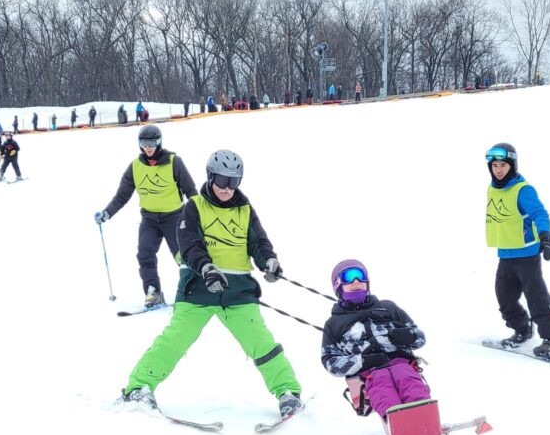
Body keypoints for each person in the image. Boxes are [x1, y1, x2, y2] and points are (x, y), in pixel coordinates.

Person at [117, 149, 302, 417]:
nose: (227, 188)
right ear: (210, 176)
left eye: (234, 182)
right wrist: (206, 267)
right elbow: (188, 244)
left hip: (237, 292)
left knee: (261, 342)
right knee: (175, 340)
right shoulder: (194, 207)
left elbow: (258, 242)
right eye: (222, 181)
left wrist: (269, 261)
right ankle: (139, 387)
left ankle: (287, 391)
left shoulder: (245, 209)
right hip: (198, 289)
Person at [94, 124, 197, 309]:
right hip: (149, 219)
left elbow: (191, 190)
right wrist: (107, 213)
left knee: (182, 256)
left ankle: (195, 288)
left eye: (152, 142)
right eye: (144, 142)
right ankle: (153, 292)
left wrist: (201, 213)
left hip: (174, 217)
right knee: (145, 253)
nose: (148, 146)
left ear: (159, 142)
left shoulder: (174, 162)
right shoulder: (135, 167)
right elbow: (122, 196)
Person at [485, 142, 550, 360]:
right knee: (505, 299)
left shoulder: (523, 190)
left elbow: (540, 214)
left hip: (527, 255)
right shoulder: (493, 188)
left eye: (503, 165)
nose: (499, 169)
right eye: (495, 166)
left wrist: (545, 237)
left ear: (512, 165)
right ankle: (522, 329)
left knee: (536, 298)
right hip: (505, 254)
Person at [321, 259, 430, 419]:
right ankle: (396, 420)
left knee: (406, 377)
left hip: (400, 361)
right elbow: (330, 362)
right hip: (369, 373)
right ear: (338, 285)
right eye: (349, 277)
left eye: (360, 276)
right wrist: (362, 361)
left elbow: (419, 338)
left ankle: (423, 414)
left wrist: (408, 336)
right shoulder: (334, 324)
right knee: (381, 384)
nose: (356, 281)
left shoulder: (388, 307)